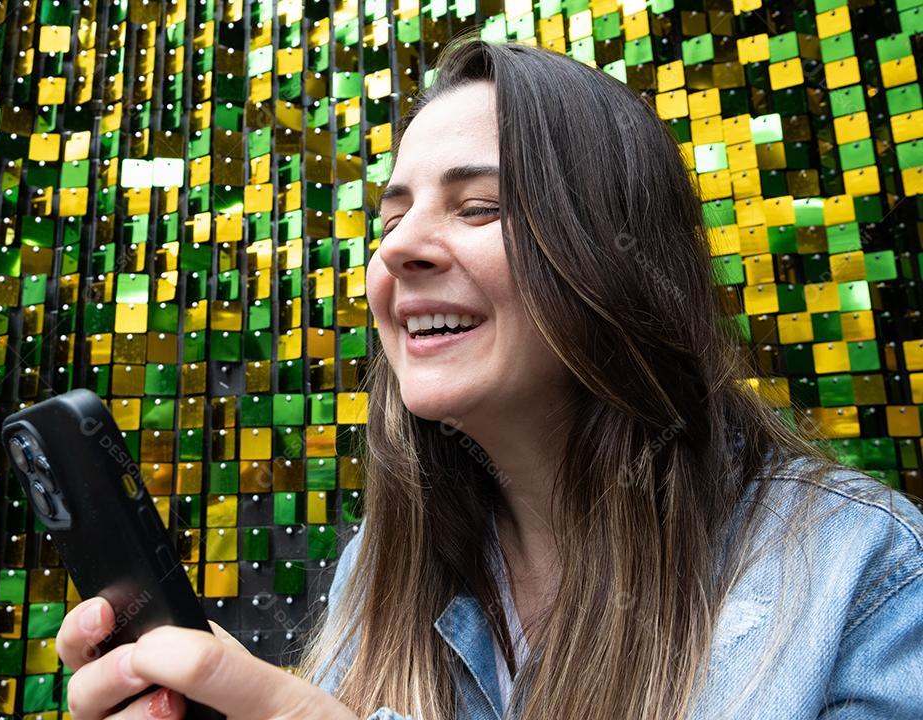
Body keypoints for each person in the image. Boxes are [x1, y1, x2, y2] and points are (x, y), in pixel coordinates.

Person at [55, 34, 923, 720]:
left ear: (618, 259)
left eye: (481, 208)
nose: (398, 248)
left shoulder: (865, 572)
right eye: (389, 220)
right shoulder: (380, 565)